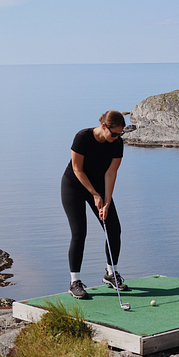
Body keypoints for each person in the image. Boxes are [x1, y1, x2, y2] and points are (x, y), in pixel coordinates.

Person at [61, 110, 128, 299]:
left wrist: (106, 202)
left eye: (120, 134)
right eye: (114, 133)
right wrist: (94, 195)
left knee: (113, 229)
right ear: (104, 126)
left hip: (99, 186)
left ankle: (111, 274)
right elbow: (77, 169)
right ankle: (75, 282)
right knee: (79, 232)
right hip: (74, 185)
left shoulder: (117, 144)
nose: (116, 138)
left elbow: (111, 173)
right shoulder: (83, 137)